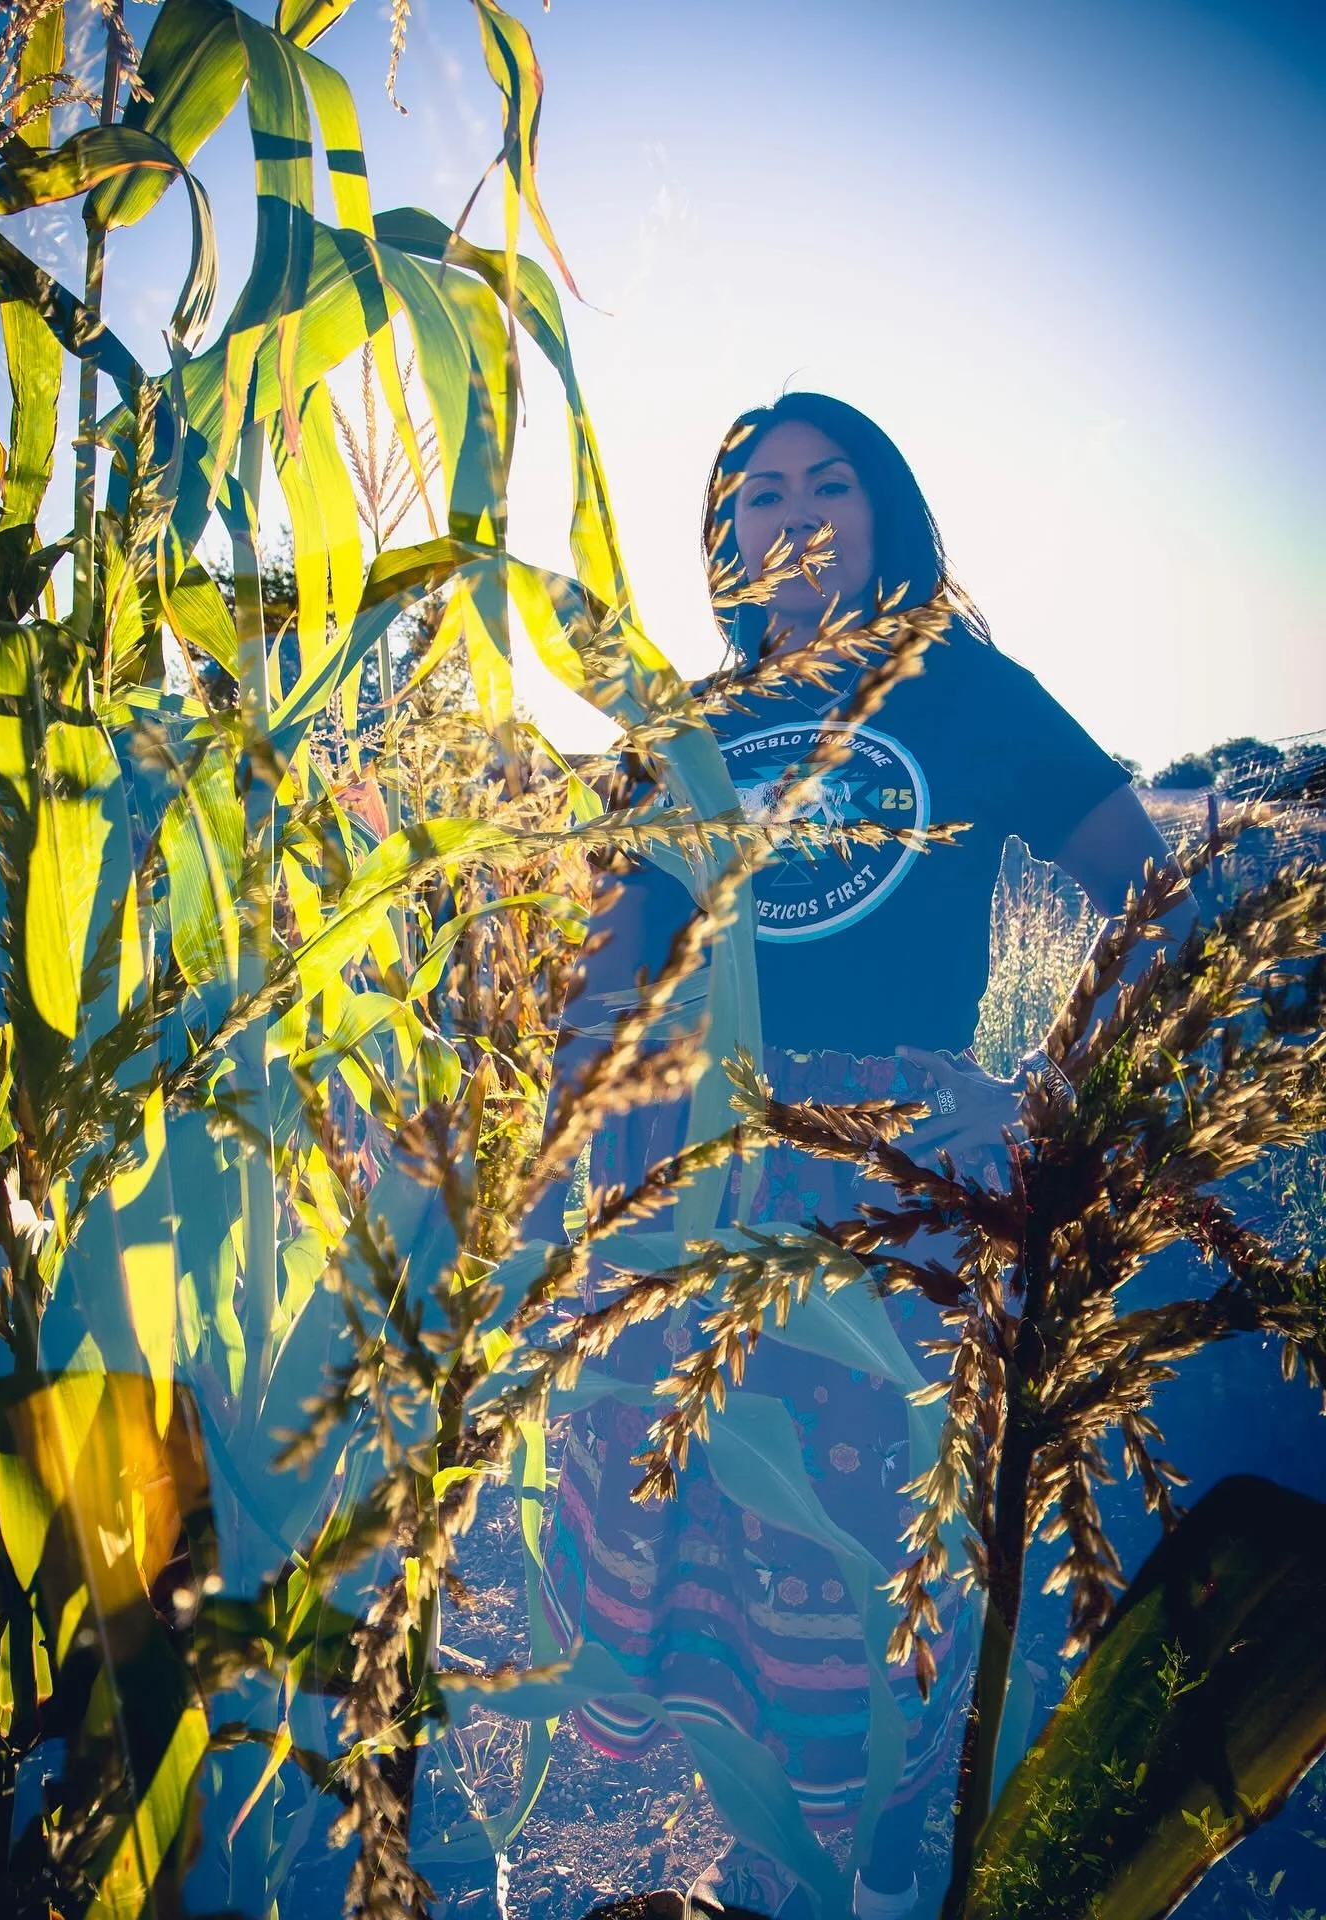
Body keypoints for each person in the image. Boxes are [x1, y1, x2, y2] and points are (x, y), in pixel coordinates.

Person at [531, 392, 1195, 1918]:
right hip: (705, 1162)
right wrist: (588, 1149)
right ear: (725, 540)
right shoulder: (685, 730)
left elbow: (1149, 897)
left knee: (861, 1551)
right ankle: (765, 1866)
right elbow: (605, 977)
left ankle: (886, 1875)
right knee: (708, 1539)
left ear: (887, 514)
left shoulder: (958, 690)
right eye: (757, 495)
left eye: (832, 482)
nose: (794, 512)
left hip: (892, 1177)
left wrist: (1041, 1092)